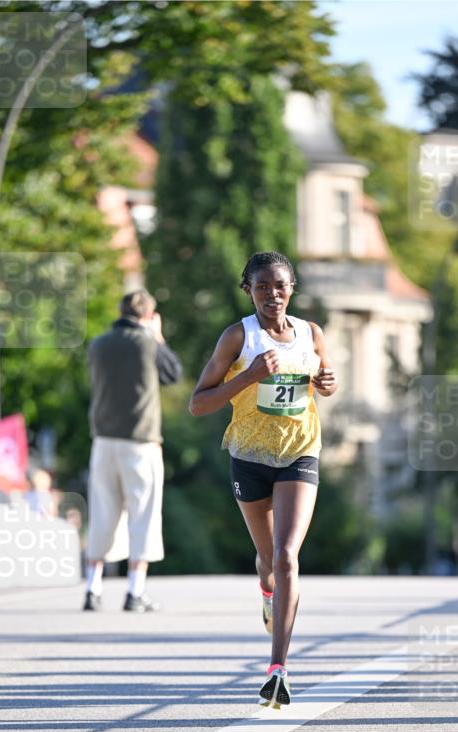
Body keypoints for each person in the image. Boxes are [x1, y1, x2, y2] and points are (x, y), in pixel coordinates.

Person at [189, 251, 337, 706]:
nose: (272, 295)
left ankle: (278, 669)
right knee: (268, 558)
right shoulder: (238, 336)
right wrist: (249, 376)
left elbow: (323, 379)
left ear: (292, 287)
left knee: (287, 555)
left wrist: (327, 384)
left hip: (299, 451)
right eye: (261, 287)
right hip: (250, 455)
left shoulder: (312, 333)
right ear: (248, 290)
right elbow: (199, 402)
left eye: (280, 286)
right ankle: (267, 590)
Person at [84, 289, 182, 611]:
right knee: (143, 515)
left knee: (102, 513)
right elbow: (173, 374)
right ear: (148, 315)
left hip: (103, 440)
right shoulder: (147, 343)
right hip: (140, 442)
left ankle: (92, 588)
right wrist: (158, 336)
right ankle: (134, 591)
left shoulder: (97, 345)